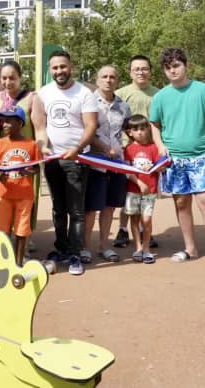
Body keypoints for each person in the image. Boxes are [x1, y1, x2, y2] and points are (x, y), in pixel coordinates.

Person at [150, 48, 205, 278]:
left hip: (202, 156)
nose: (173, 70)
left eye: (176, 65)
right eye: (168, 67)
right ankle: (190, 248)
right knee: (181, 203)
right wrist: (161, 147)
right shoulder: (160, 96)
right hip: (175, 160)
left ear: (185, 66)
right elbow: (155, 125)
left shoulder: (202, 91)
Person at [31, 50, 98, 276]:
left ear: (71, 67)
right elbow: (40, 126)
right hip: (53, 160)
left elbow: (90, 125)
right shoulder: (44, 93)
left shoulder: (85, 93)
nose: (59, 71)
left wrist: (77, 149)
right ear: (50, 70)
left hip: (77, 159)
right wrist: (43, 146)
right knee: (58, 209)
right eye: (55, 68)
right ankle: (60, 249)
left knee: (76, 211)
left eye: (63, 66)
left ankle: (75, 253)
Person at [0, 60, 38, 240]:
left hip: (25, 158)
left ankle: (24, 242)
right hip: (0, 157)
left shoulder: (32, 98)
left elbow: (41, 129)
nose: (8, 82)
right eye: (4, 78)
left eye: (12, 78)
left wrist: (42, 152)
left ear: (20, 77)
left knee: (24, 202)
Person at [83, 66, 130, 264]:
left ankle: (104, 245)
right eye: (104, 76)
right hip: (95, 162)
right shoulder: (88, 102)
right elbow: (87, 132)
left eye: (112, 77)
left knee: (110, 207)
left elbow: (128, 131)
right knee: (91, 208)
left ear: (117, 81)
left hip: (117, 164)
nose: (108, 80)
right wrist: (103, 148)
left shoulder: (123, 106)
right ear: (97, 79)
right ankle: (85, 248)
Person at [114, 55, 159, 248]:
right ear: (130, 72)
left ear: (150, 70)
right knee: (129, 193)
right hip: (127, 152)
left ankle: (144, 230)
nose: (140, 72)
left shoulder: (158, 94)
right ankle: (123, 230)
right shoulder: (121, 93)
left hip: (149, 151)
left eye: (144, 68)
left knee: (147, 192)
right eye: (136, 69)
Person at [0, 106, 40, 266]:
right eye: (3, 121)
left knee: (21, 230)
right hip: (4, 195)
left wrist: (30, 171)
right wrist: (0, 176)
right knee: (3, 230)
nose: (4, 124)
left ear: (20, 123)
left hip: (24, 195)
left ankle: (18, 263)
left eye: (9, 121)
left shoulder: (31, 144)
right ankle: (4, 261)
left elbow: (37, 167)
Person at [123, 115, 160, 264]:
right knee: (135, 218)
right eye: (136, 129)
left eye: (143, 128)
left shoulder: (154, 147)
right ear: (130, 132)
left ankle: (146, 249)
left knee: (146, 220)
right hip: (133, 190)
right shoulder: (128, 149)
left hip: (149, 191)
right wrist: (139, 182)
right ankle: (138, 247)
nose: (140, 132)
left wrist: (155, 167)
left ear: (148, 130)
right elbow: (127, 171)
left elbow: (161, 166)